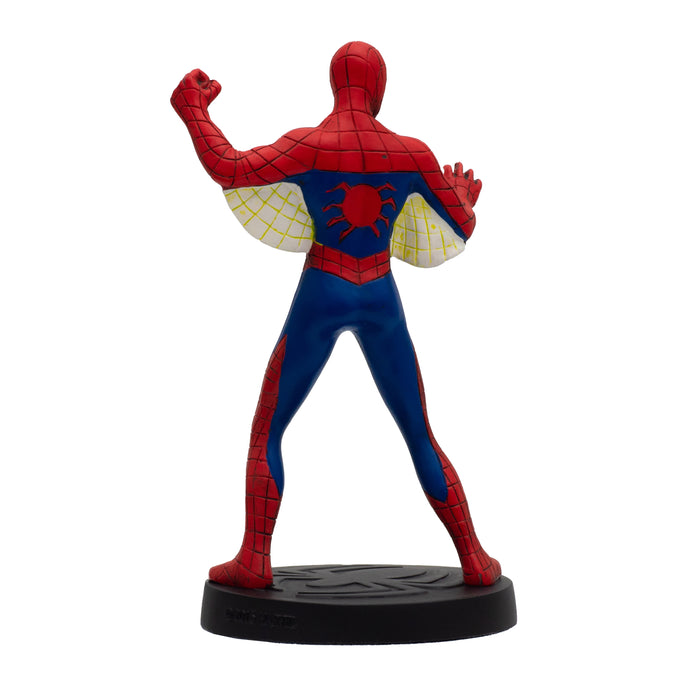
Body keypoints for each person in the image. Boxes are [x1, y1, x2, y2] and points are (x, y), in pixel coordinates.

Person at [171, 41, 501, 588]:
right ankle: (475, 560)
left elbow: (227, 167)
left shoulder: (309, 145)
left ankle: (254, 558)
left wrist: (194, 112)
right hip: (380, 293)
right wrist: (463, 197)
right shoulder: (412, 153)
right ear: (379, 88)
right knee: (420, 434)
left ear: (335, 83)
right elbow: (461, 225)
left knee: (267, 430)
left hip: (322, 288)